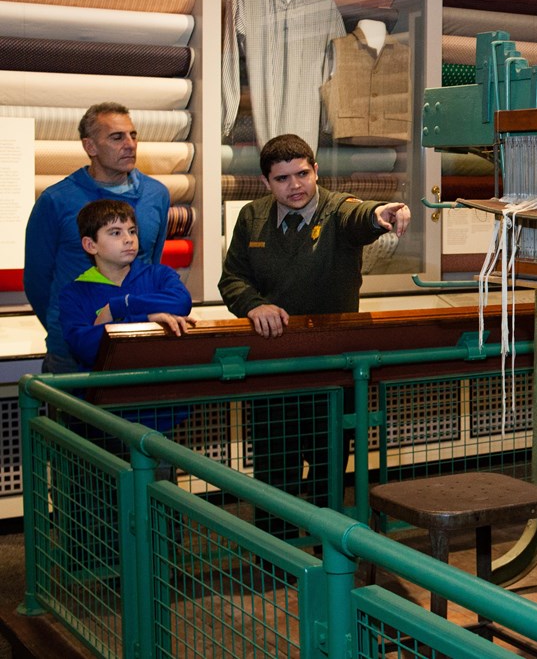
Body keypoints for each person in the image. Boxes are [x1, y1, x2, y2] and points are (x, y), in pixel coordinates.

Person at [218, 133, 409, 538]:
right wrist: (253, 305)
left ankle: (330, 554)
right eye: (282, 178)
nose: (296, 185)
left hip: (332, 369)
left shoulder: (336, 209)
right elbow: (232, 278)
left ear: (316, 170)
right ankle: (277, 554)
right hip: (274, 367)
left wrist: (380, 214)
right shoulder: (252, 216)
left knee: (329, 468)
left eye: (303, 174)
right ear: (266, 182)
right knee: (275, 472)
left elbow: (360, 216)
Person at [24, 102, 172, 374]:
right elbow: (37, 280)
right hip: (72, 351)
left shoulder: (156, 195)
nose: (130, 145)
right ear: (90, 146)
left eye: (133, 135)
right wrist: (70, 326)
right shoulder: (56, 200)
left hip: (136, 342)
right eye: (117, 137)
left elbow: (151, 264)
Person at [60, 199, 195, 432]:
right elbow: (84, 345)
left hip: (161, 413)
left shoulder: (158, 275)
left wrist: (118, 307)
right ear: (90, 245)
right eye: (115, 233)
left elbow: (181, 302)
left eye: (132, 231)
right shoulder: (75, 292)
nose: (128, 239)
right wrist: (146, 319)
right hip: (103, 418)